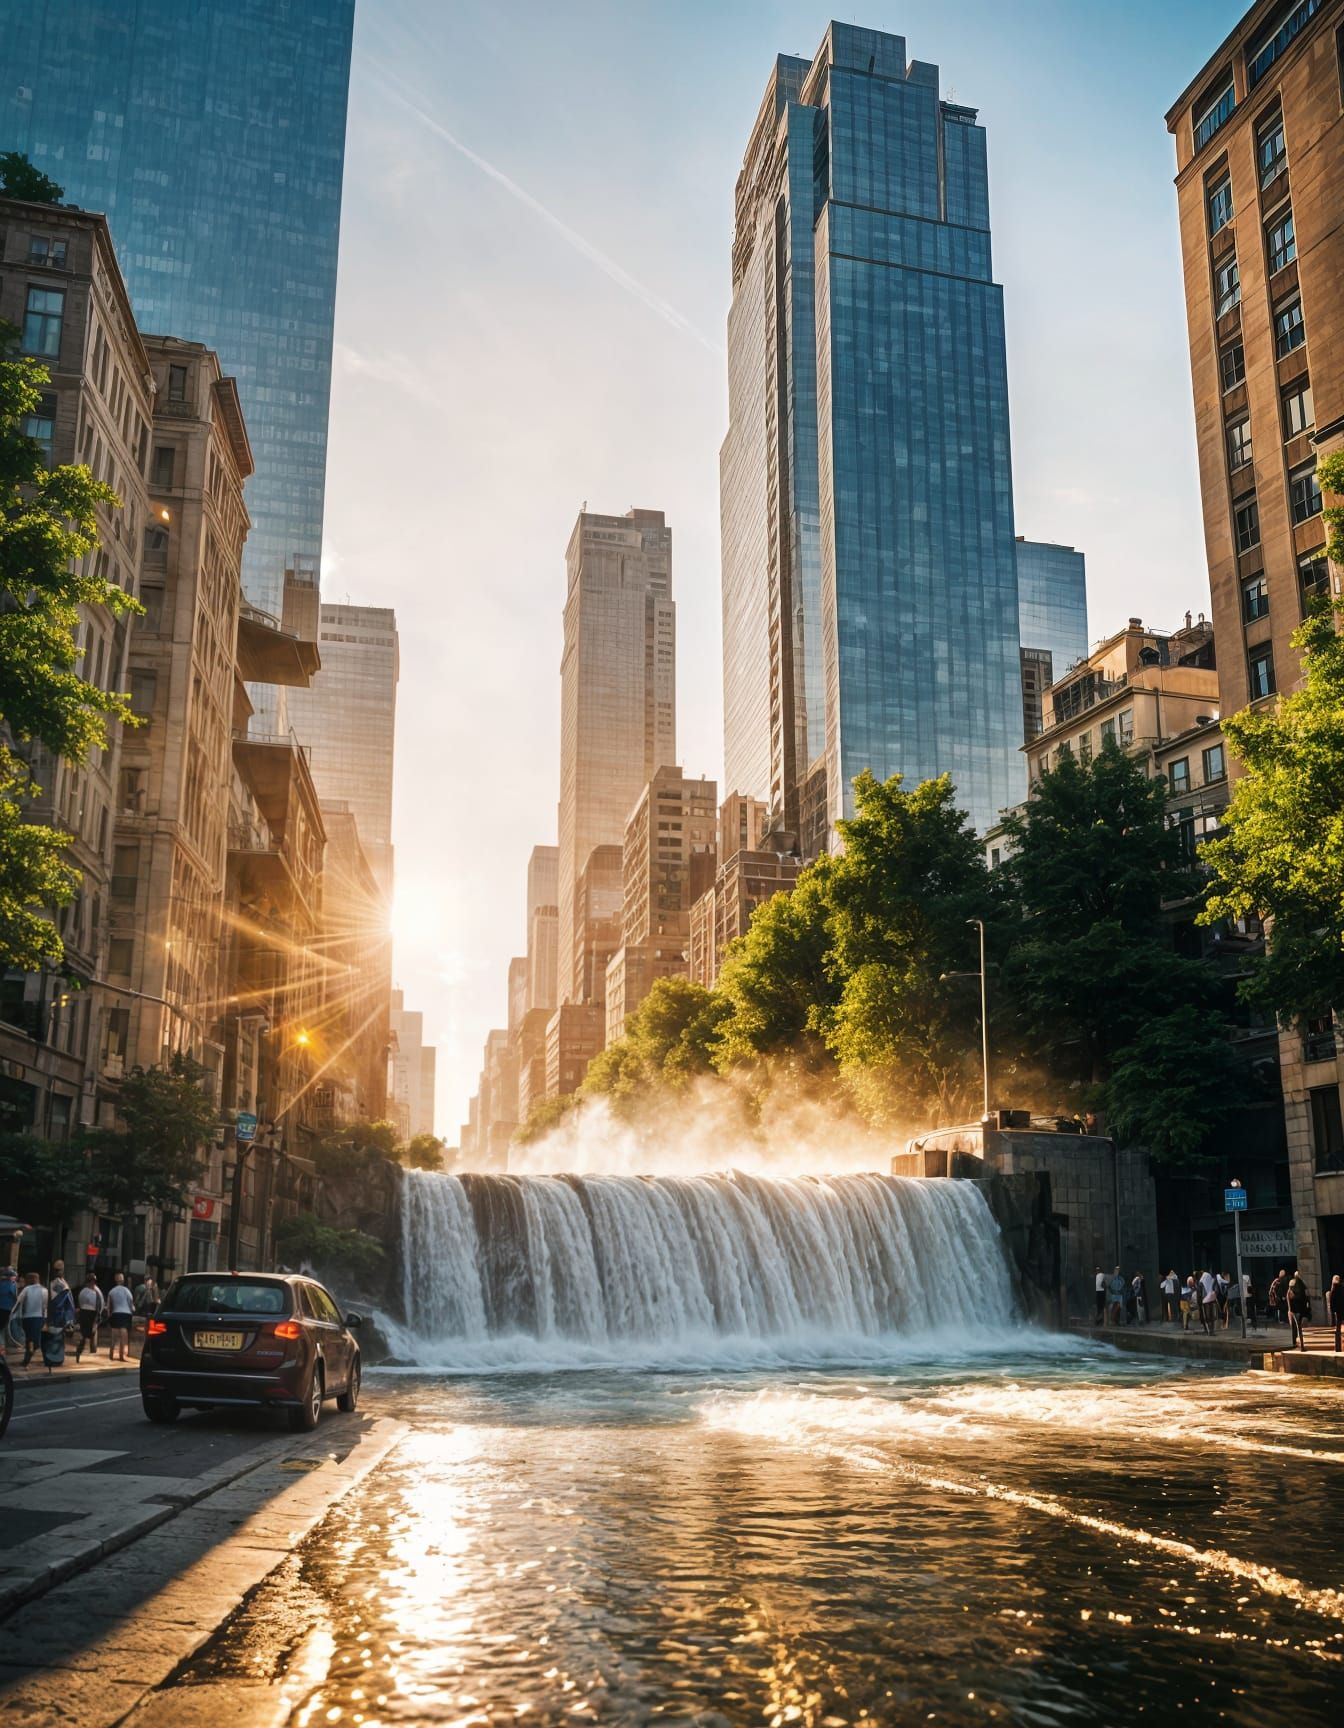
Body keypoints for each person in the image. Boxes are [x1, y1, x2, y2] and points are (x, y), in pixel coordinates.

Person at [13, 1272, 48, 1368]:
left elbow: (18, 1301)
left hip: (27, 1318)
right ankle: (29, 1356)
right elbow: (45, 1306)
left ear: (30, 1280)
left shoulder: (26, 1289)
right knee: (35, 1339)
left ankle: (27, 1359)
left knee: (29, 1338)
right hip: (38, 1317)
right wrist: (45, 1319)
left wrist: (13, 1313)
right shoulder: (44, 1290)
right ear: (38, 1279)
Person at [105, 1272, 135, 1362]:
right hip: (126, 1314)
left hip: (115, 1314)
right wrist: (132, 1310)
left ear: (115, 1280)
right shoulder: (127, 1291)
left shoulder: (111, 1291)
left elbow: (108, 1306)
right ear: (123, 1280)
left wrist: (109, 1316)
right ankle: (121, 1356)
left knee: (114, 1335)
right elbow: (131, 1303)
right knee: (123, 1337)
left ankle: (111, 1354)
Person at [75, 1274, 105, 1361]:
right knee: (89, 1331)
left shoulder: (86, 1291)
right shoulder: (90, 1291)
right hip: (89, 1312)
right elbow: (101, 1303)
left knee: (90, 1331)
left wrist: (99, 1313)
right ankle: (86, 1348)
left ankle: (89, 1348)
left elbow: (100, 1303)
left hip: (90, 1312)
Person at [1286, 1267, 1311, 1351]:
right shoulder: (1303, 1285)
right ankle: (1301, 1345)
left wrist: (1289, 1309)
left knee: (1295, 1327)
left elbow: (1288, 1297)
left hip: (1294, 1309)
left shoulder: (1292, 1285)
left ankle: (1294, 1343)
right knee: (1300, 1328)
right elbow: (1307, 1297)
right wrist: (1308, 1307)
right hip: (1301, 1309)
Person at [48, 1260, 75, 1334]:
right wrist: (69, 1320)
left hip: (55, 1319)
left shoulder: (53, 1283)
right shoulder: (62, 1285)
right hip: (60, 1320)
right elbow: (68, 1305)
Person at [0, 1264, 17, 1355]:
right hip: (8, 1309)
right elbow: (15, 1296)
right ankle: (4, 1347)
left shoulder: (1, 1284)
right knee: (6, 1328)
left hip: (1, 1308)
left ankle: (2, 1346)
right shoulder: (11, 1285)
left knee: (2, 1328)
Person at [1198, 1268, 1218, 1336]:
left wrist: (1200, 1301)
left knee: (1207, 1316)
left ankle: (1209, 1331)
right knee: (1211, 1316)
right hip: (1211, 1300)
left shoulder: (1201, 1282)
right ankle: (1212, 1330)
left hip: (1205, 1301)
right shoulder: (1211, 1281)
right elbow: (1215, 1290)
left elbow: (1199, 1294)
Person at [1328, 1274, 1344, 1355]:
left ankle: (1338, 1347)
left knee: (1338, 1329)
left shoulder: (1333, 1289)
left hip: (1337, 1312)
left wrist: (1332, 1311)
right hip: (1342, 1310)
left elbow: (1332, 1302)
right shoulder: (1342, 1288)